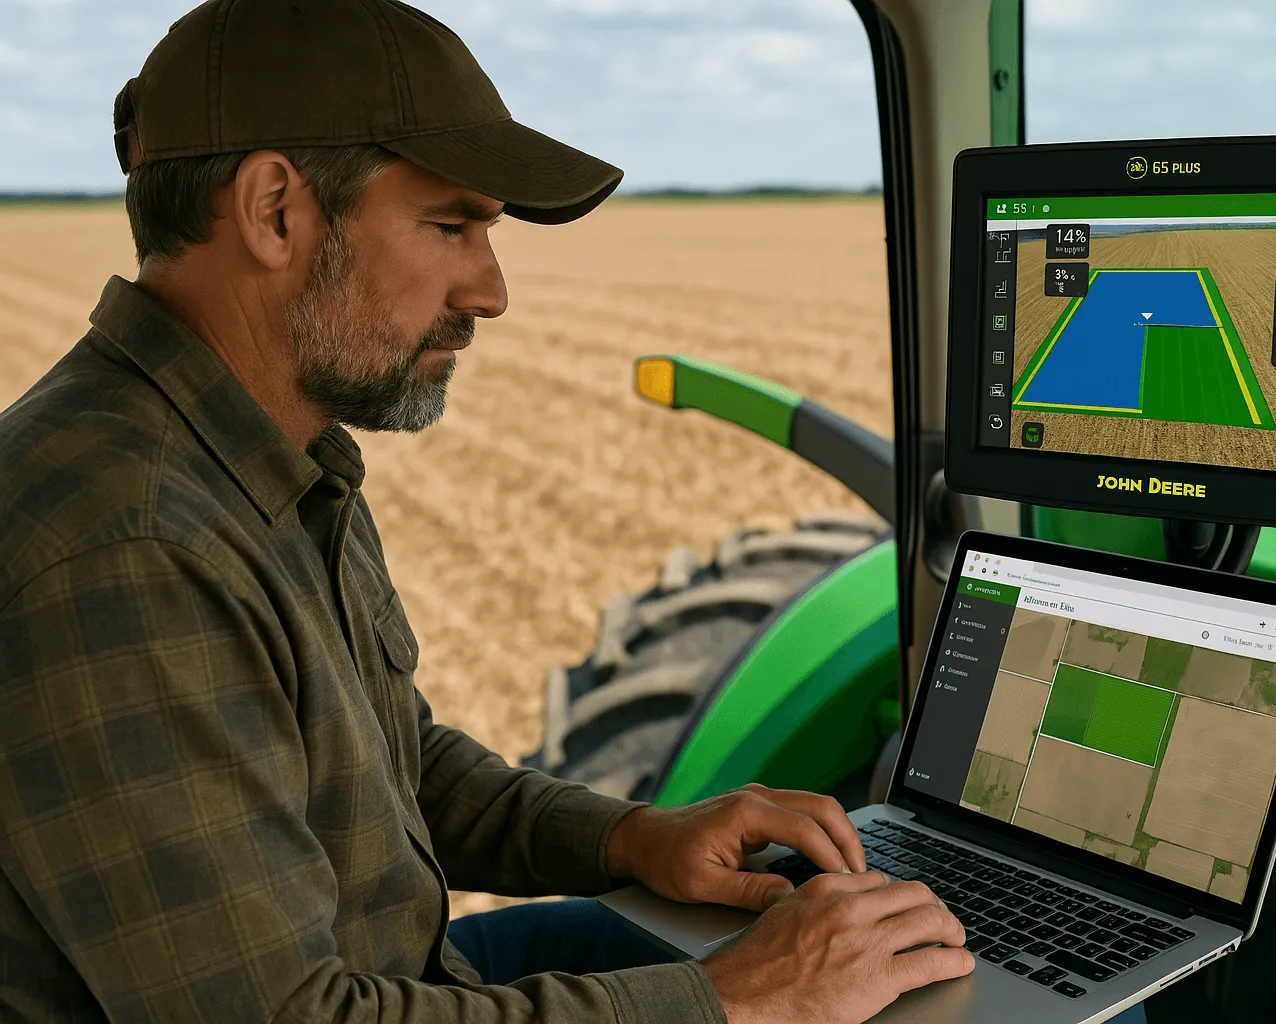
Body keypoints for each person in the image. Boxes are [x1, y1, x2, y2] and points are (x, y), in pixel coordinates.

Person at [0, 2, 979, 1023]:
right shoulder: (127, 544)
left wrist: (631, 836)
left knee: (882, 959)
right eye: (451, 224)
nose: (491, 288)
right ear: (276, 210)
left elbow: (391, 764)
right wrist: (739, 1000)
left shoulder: (271, 457)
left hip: (400, 973)